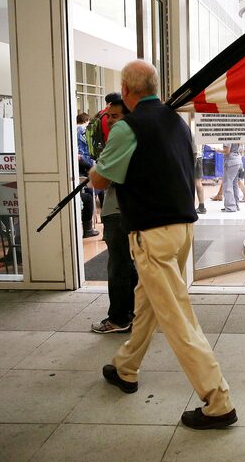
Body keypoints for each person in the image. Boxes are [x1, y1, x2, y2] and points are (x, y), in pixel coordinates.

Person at [89, 59, 236, 430]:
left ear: (125, 89)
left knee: (177, 317)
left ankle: (218, 401)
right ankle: (126, 368)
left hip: (152, 235)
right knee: (149, 302)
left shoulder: (127, 128)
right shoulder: (176, 121)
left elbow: (100, 181)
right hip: (182, 230)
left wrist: (95, 168)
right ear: (154, 86)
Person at [91, 98, 138, 334]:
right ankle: (131, 314)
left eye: (115, 116)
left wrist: (99, 166)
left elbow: (100, 178)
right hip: (125, 209)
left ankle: (119, 318)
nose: (110, 120)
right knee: (128, 265)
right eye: (108, 116)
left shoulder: (123, 138)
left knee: (119, 265)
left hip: (118, 210)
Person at [76, 112, 99, 238]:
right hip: (85, 162)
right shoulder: (84, 130)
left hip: (77, 165)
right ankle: (89, 227)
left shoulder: (71, 129)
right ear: (87, 120)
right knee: (92, 191)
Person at [222, 143, 242, 212]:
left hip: (231, 161)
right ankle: (236, 205)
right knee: (234, 184)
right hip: (237, 160)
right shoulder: (236, 134)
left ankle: (230, 207)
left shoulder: (227, 135)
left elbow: (227, 151)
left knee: (227, 184)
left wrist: (218, 150)